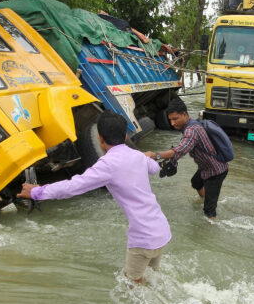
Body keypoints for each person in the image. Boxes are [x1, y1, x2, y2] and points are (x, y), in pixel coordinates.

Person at [18, 112, 170, 284]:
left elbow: (73, 187)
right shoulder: (137, 156)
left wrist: (37, 192)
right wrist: (145, 156)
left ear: (100, 139)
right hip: (161, 230)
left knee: (132, 285)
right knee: (153, 279)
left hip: (143, 238)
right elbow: (155, 169)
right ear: (126, 135)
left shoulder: (107, 164)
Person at [144, 100, 229, 219]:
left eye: (175, 119)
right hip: (206, 167)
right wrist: (169, 161)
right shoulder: (190, 125)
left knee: (209, 211)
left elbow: (180, 149)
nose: (173, 123)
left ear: (184, 114)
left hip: (216, 170)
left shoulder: (192, 130)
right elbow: (184, 148)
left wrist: (155, 155)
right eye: (170, 120)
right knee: (196, 182)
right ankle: (207, 199)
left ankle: (210, 224)